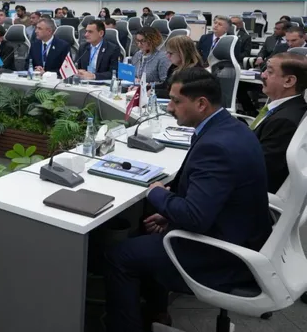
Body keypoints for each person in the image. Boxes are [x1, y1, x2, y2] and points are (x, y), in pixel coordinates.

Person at [105, 67, 272, 332]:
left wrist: (157, 193)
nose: (169, 107)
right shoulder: (231, 127)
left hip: (223, 254)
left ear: (201, 104)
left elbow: (195, 217)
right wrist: (171, 210)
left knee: (120, 255)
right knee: (143, 234)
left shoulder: (216, 146)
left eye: (176, 101)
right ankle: (157, 314)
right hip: (241, 233)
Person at [255, 53, 307, 192]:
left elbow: (259, 168)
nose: (263, 75)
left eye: (269, 72)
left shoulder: (284, 121)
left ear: (289, 81)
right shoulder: (284, 108)